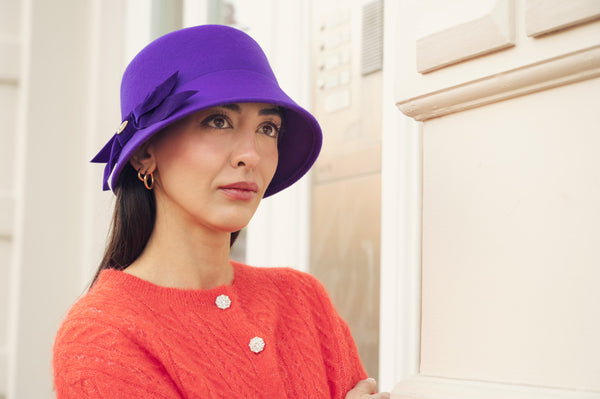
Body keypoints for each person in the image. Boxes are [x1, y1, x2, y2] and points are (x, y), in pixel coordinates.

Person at [53, 24, 389, 399]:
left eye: (268, 127)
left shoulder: (304, 301)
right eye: (218, 121)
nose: (252, 155)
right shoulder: (104, 336)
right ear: (146, 153)